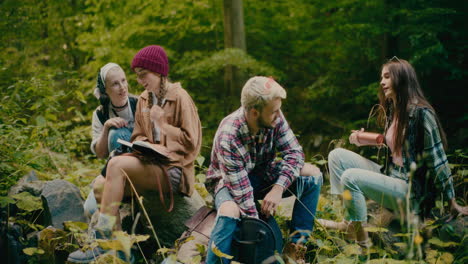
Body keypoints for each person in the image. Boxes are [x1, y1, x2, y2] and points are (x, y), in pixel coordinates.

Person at [68, 45, 202, 263]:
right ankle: (122, 254)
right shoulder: (144, 100)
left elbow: (192, 143)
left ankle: (101, 241)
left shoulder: (180, 97)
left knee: (116, 166)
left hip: (174, 169)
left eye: (143, 75)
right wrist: (145, 146)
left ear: (158, 71)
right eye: (137, 77)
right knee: (101, 186)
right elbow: (138, 136)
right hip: (151, 162)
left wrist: (163, 126)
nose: (139, 81)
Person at [320, 57, 468, 251]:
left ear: (402, 79)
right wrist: (363, 138)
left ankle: (362, 242)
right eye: (382, 77)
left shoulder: (423, 114)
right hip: (391, 176)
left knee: (350, 177)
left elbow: (438, 160)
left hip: (411, 191)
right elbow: (396, 148)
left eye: (387, 77)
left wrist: (451, 201)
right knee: (336, 156)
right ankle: (349, 222)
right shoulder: (394, 109)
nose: (382, 82)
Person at [205, 76, 323, 264]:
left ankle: (295, 248)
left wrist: (278, 189)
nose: (278, 115)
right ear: (254, 113)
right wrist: (266, 234)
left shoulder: (273, 115)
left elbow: (295, 153)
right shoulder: (229, 136)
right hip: (228, 181)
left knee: (312, 176)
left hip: (262, 173)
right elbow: (245, 199)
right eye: (273, 112)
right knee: (230, 211)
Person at [83, 62, 138, 218]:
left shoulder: (139, 104)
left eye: (123, 80)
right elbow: (100, 153)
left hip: (139, 163)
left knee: (117, 135)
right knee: (90, 210)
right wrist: (106, 128)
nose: (122, 87)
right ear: (105, 90)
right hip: (113, 166)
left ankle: (123, 193)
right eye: (115, 84)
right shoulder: (100, 114)